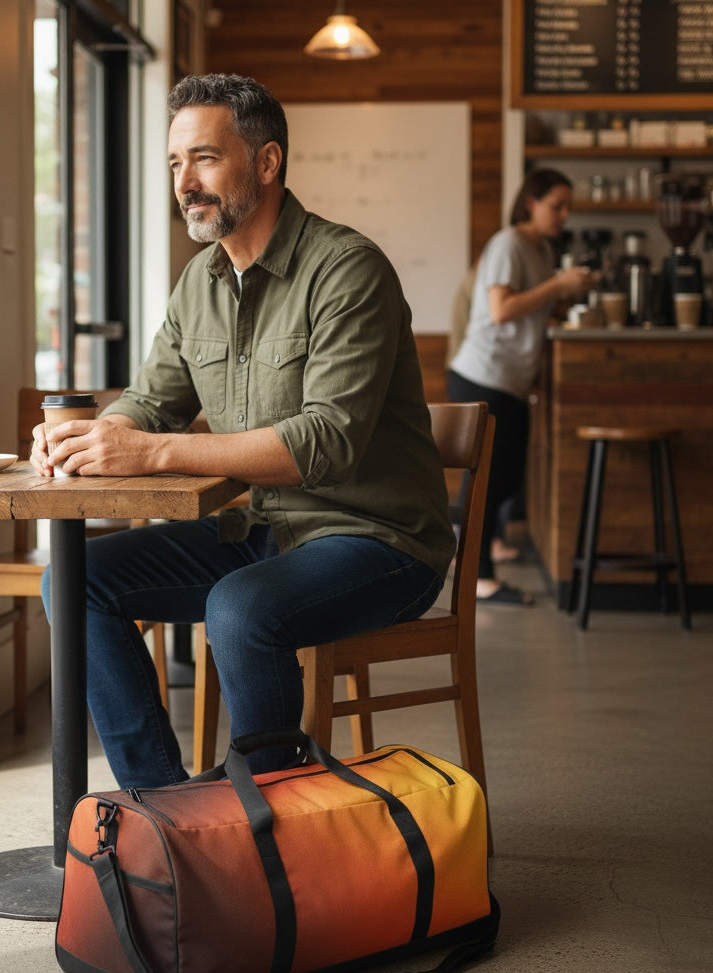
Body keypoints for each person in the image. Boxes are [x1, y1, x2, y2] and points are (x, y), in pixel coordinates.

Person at [30, 73, 456, 789]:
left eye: (203, 159)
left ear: (266, 162)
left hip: (379, 541)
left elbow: (327, 441)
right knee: (76, 583)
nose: (184, 183)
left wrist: (151, 449)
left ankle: (268, 825)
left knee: (240, 607)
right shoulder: (198, 283)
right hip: (265, 536)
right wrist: (94, 436)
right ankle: (166, 811)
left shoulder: (348, 270)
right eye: (174, 164)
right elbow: (151, 400)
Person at [447, 167, 598, 605]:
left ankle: (482, 546)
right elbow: (501, 310)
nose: (564, 215)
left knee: (508, 478)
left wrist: (563, 295)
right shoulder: (509, 242)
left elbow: (529, 311)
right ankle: (477, 575)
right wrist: (559, 285)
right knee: (490, 479)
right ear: (531, 202)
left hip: (509, 381)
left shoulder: (543, 249)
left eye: (568, 207)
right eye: (557, 205)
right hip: (483, 375)